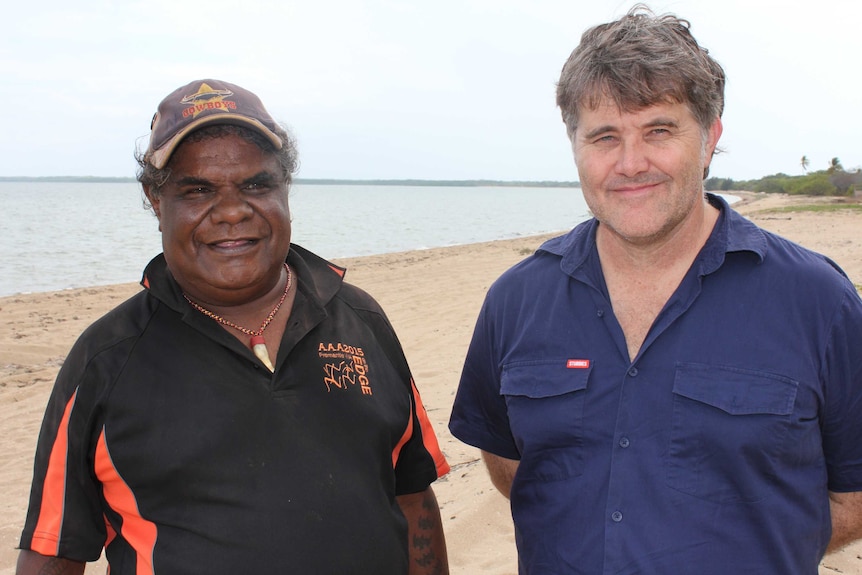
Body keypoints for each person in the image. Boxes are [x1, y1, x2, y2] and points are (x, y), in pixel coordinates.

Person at [449, 6, 862, 574]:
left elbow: (854, 494)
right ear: (575, 145)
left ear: (711, 137)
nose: (630, 163)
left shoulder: (820, 301)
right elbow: (509, 462)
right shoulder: (515, 301)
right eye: (605, 137)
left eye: (659, 131)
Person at [17, 79, 450, 575]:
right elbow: (53, 550)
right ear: (156, 200)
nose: (231, 212)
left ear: (285, 188)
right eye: (198, 189)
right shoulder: (107, 357)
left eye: (256, 185)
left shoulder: (363, 320)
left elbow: (413, 497)